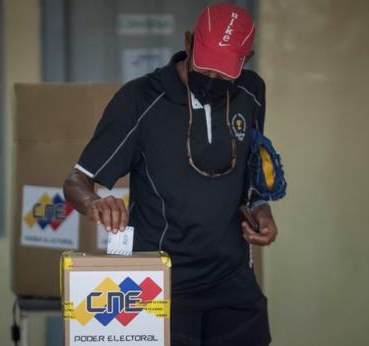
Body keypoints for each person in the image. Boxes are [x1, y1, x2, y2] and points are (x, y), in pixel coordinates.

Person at [63, 3, 277, 345]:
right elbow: (76, 181)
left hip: (233, 282)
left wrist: (260, 207)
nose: (212, 82)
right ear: (189, 42)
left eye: (224, 76)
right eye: (205, 69)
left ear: (246, 59)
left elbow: (249, 170)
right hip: (160, 284)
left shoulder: (251, 92)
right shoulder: (140, 99)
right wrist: (93, 204)